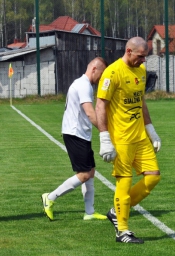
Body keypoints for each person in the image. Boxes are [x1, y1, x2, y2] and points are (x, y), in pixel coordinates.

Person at [95, 37, 161, 243]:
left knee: (153, 177)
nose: (143, 61)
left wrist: (151, 130)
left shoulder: (140, 71)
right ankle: (122, 230)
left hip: (140, 136)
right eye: (140, 56)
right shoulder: (112, 72)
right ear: (129, 51)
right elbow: (100, 105)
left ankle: (116, 211)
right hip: (121, 138)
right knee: (124, 181)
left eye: (145, 57)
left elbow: (141, 102)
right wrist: (104, 137)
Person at [41, 57, 108, 221]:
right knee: (84, 174)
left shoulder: (81, 84)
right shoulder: (84, 85)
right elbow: (90, 112)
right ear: (94, 69)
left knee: (90, 171)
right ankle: (50, 197)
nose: (101, 79)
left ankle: (89, 212)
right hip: (75, 133)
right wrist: (105, 133)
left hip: (80, 133)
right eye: (102, 74)